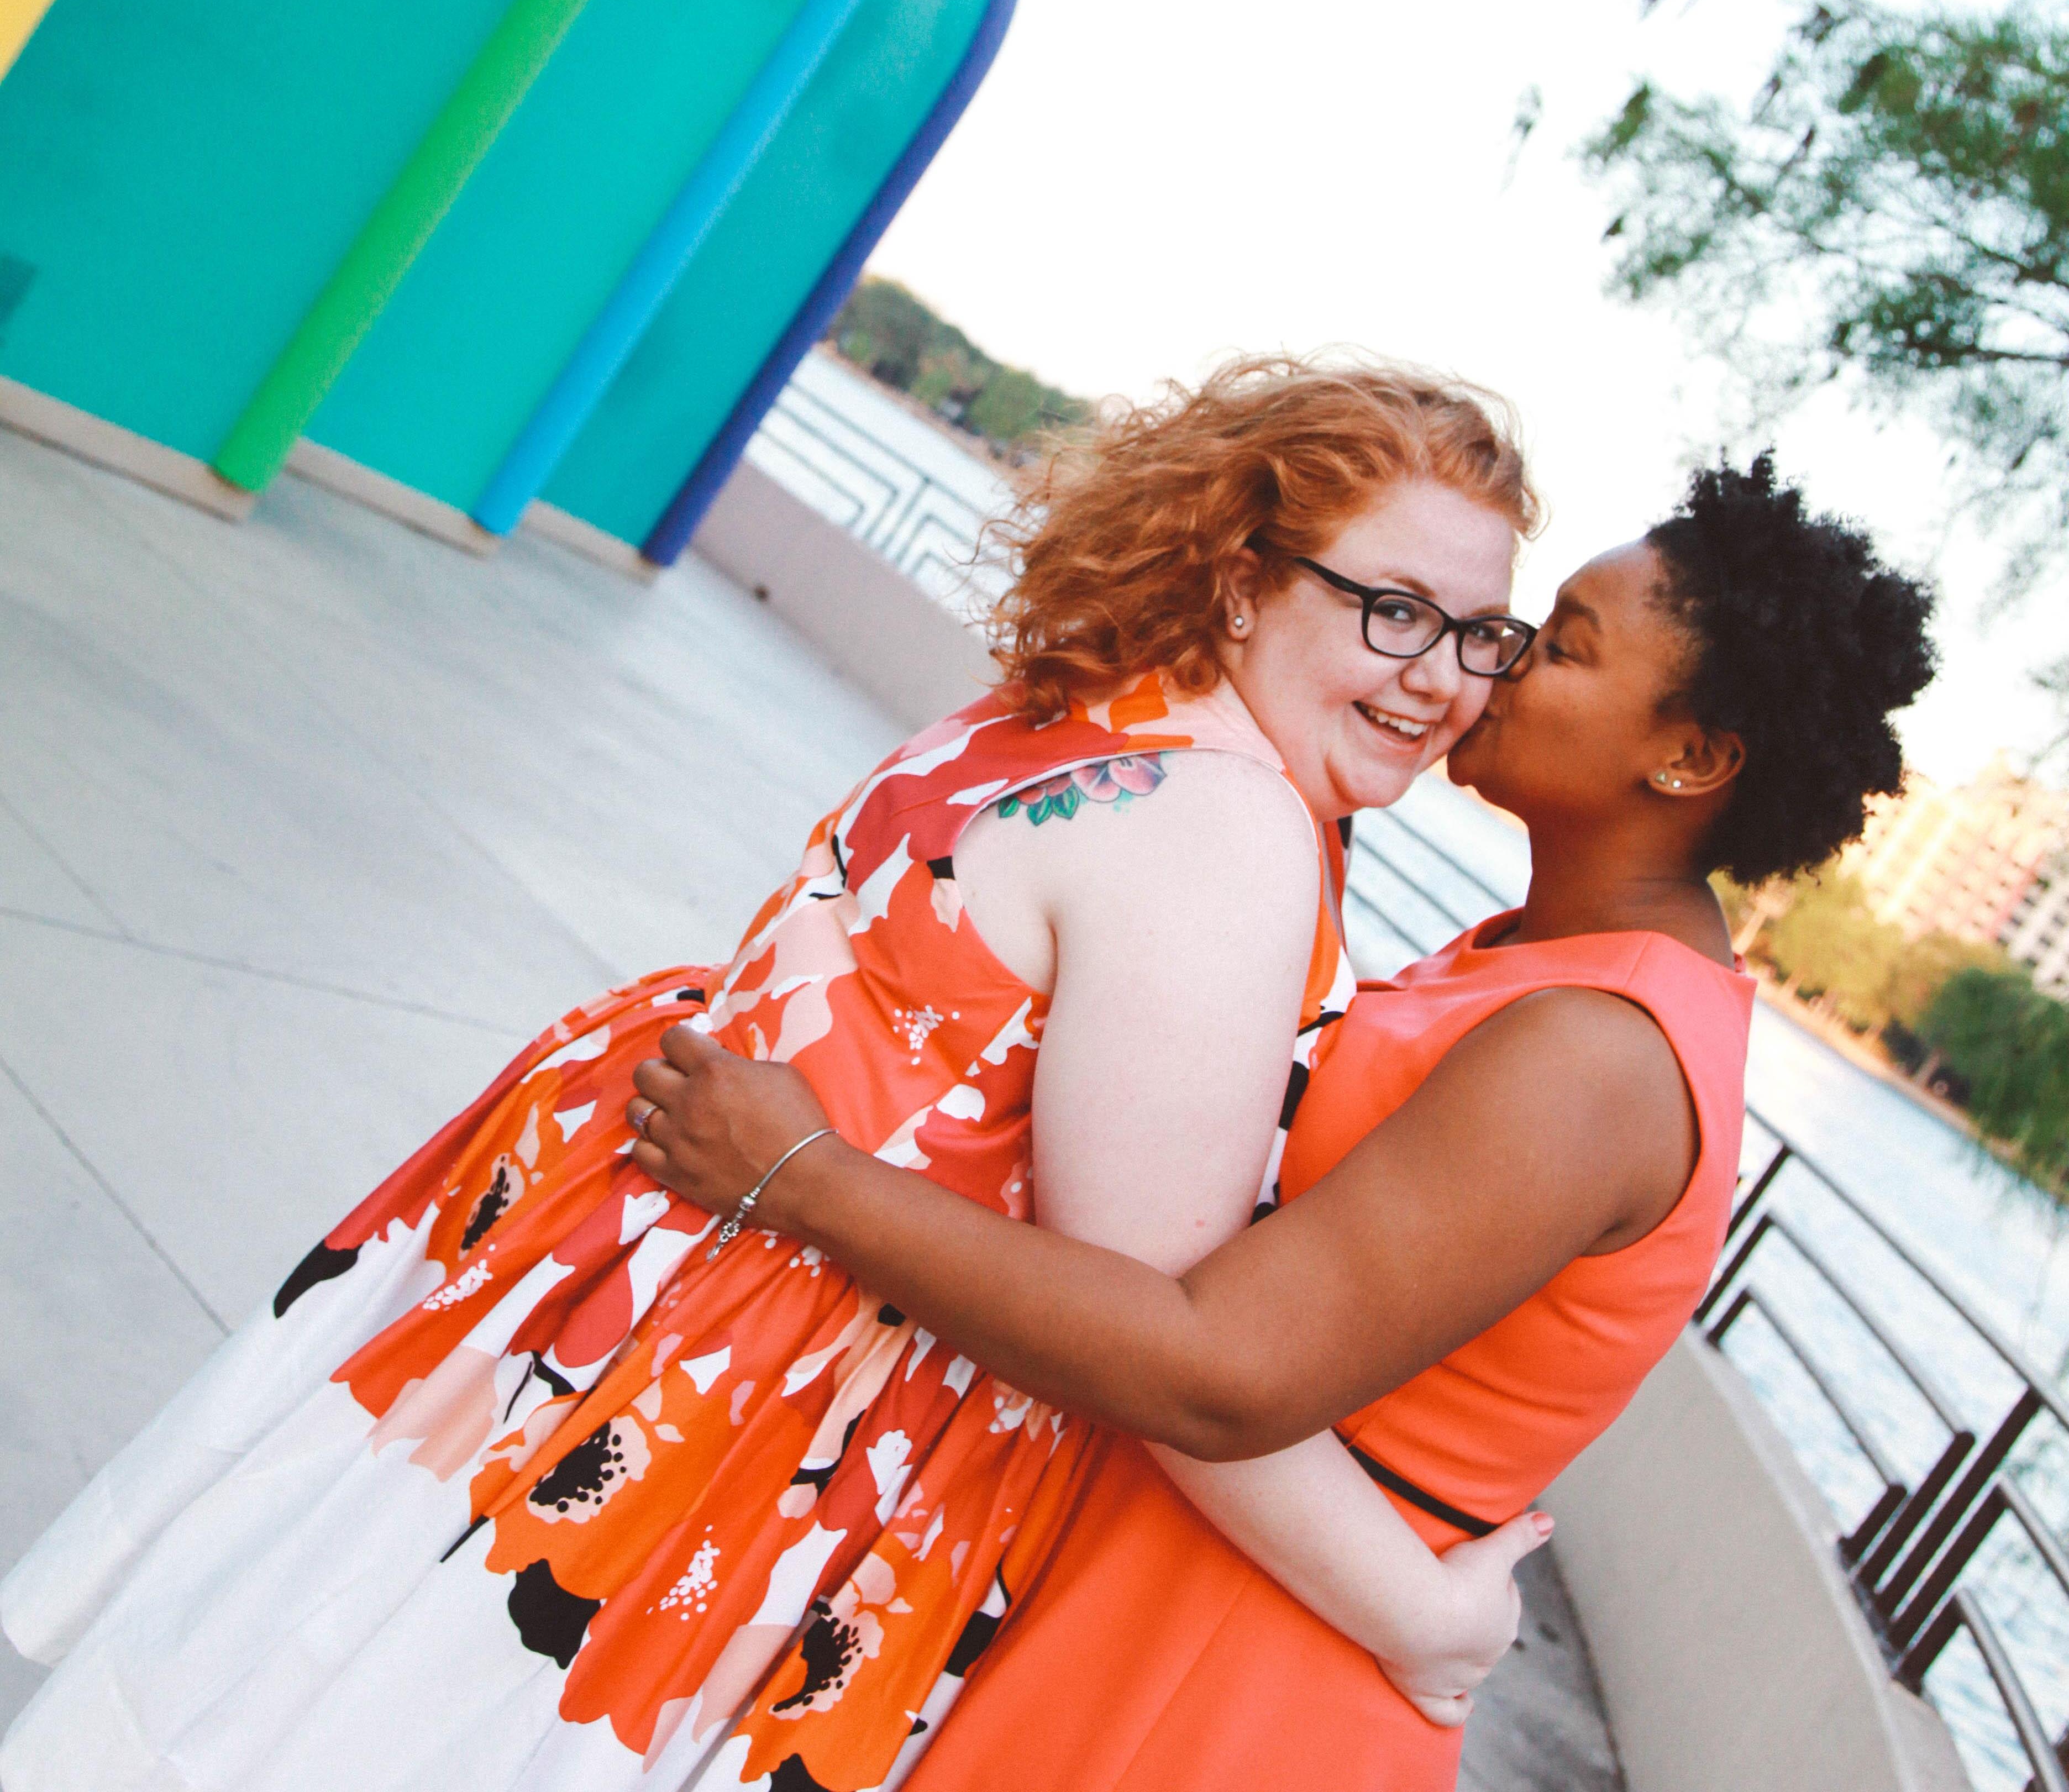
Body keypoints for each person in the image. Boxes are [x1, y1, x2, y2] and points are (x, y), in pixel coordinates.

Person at [2, 356, 1551, 1792]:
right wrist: (1416, 1613)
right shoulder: (1225, 824)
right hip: (745, 1418)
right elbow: (1152, 1340)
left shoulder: (1082, 704)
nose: (1442, 680)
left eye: (1483, 635)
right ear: (1243, 577)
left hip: (609, 1288)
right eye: (1392, 611)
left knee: (310, 1690)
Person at [624, 455, 1937, 1790]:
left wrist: (804, 1178)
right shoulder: (1534, 963)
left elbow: (1221, 1373)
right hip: (1183, 1576)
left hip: (1227, 1675)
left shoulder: (1600, 1057)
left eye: (1559, 649)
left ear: (1691, 756)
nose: (1486, 668)